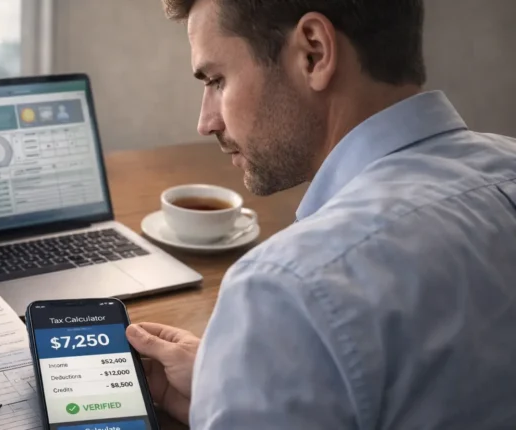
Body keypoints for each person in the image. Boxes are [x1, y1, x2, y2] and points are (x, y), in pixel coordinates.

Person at [125, 0, 516, 428]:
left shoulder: (287, 288)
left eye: (217, 80)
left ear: (314, 53)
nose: (206, 121)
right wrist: (247, 384)